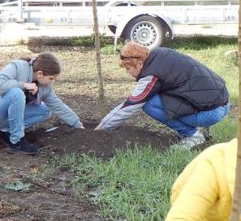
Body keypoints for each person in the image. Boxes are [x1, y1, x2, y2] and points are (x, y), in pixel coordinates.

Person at [96, 44, 230, 149]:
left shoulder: (151, 75)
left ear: (140, 63)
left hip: (210, 112)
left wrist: (101, 129)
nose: (127, 72)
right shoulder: (161, 53)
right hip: (222, 102)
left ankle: (192, 136)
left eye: (128, 68)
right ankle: (201, 128)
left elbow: (130, 105)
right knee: (159, 94)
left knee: (148, 103)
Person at [0, 52, 84, 156]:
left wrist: (78, 125)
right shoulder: (16, 67)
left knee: (45, 110)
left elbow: (59, 106)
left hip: (1, 119)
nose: (52, 81)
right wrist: (23, 85)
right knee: (16, 93)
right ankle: (16, 142)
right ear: (40, 74)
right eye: (51, 78)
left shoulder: (45, 87)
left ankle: (5, 131)